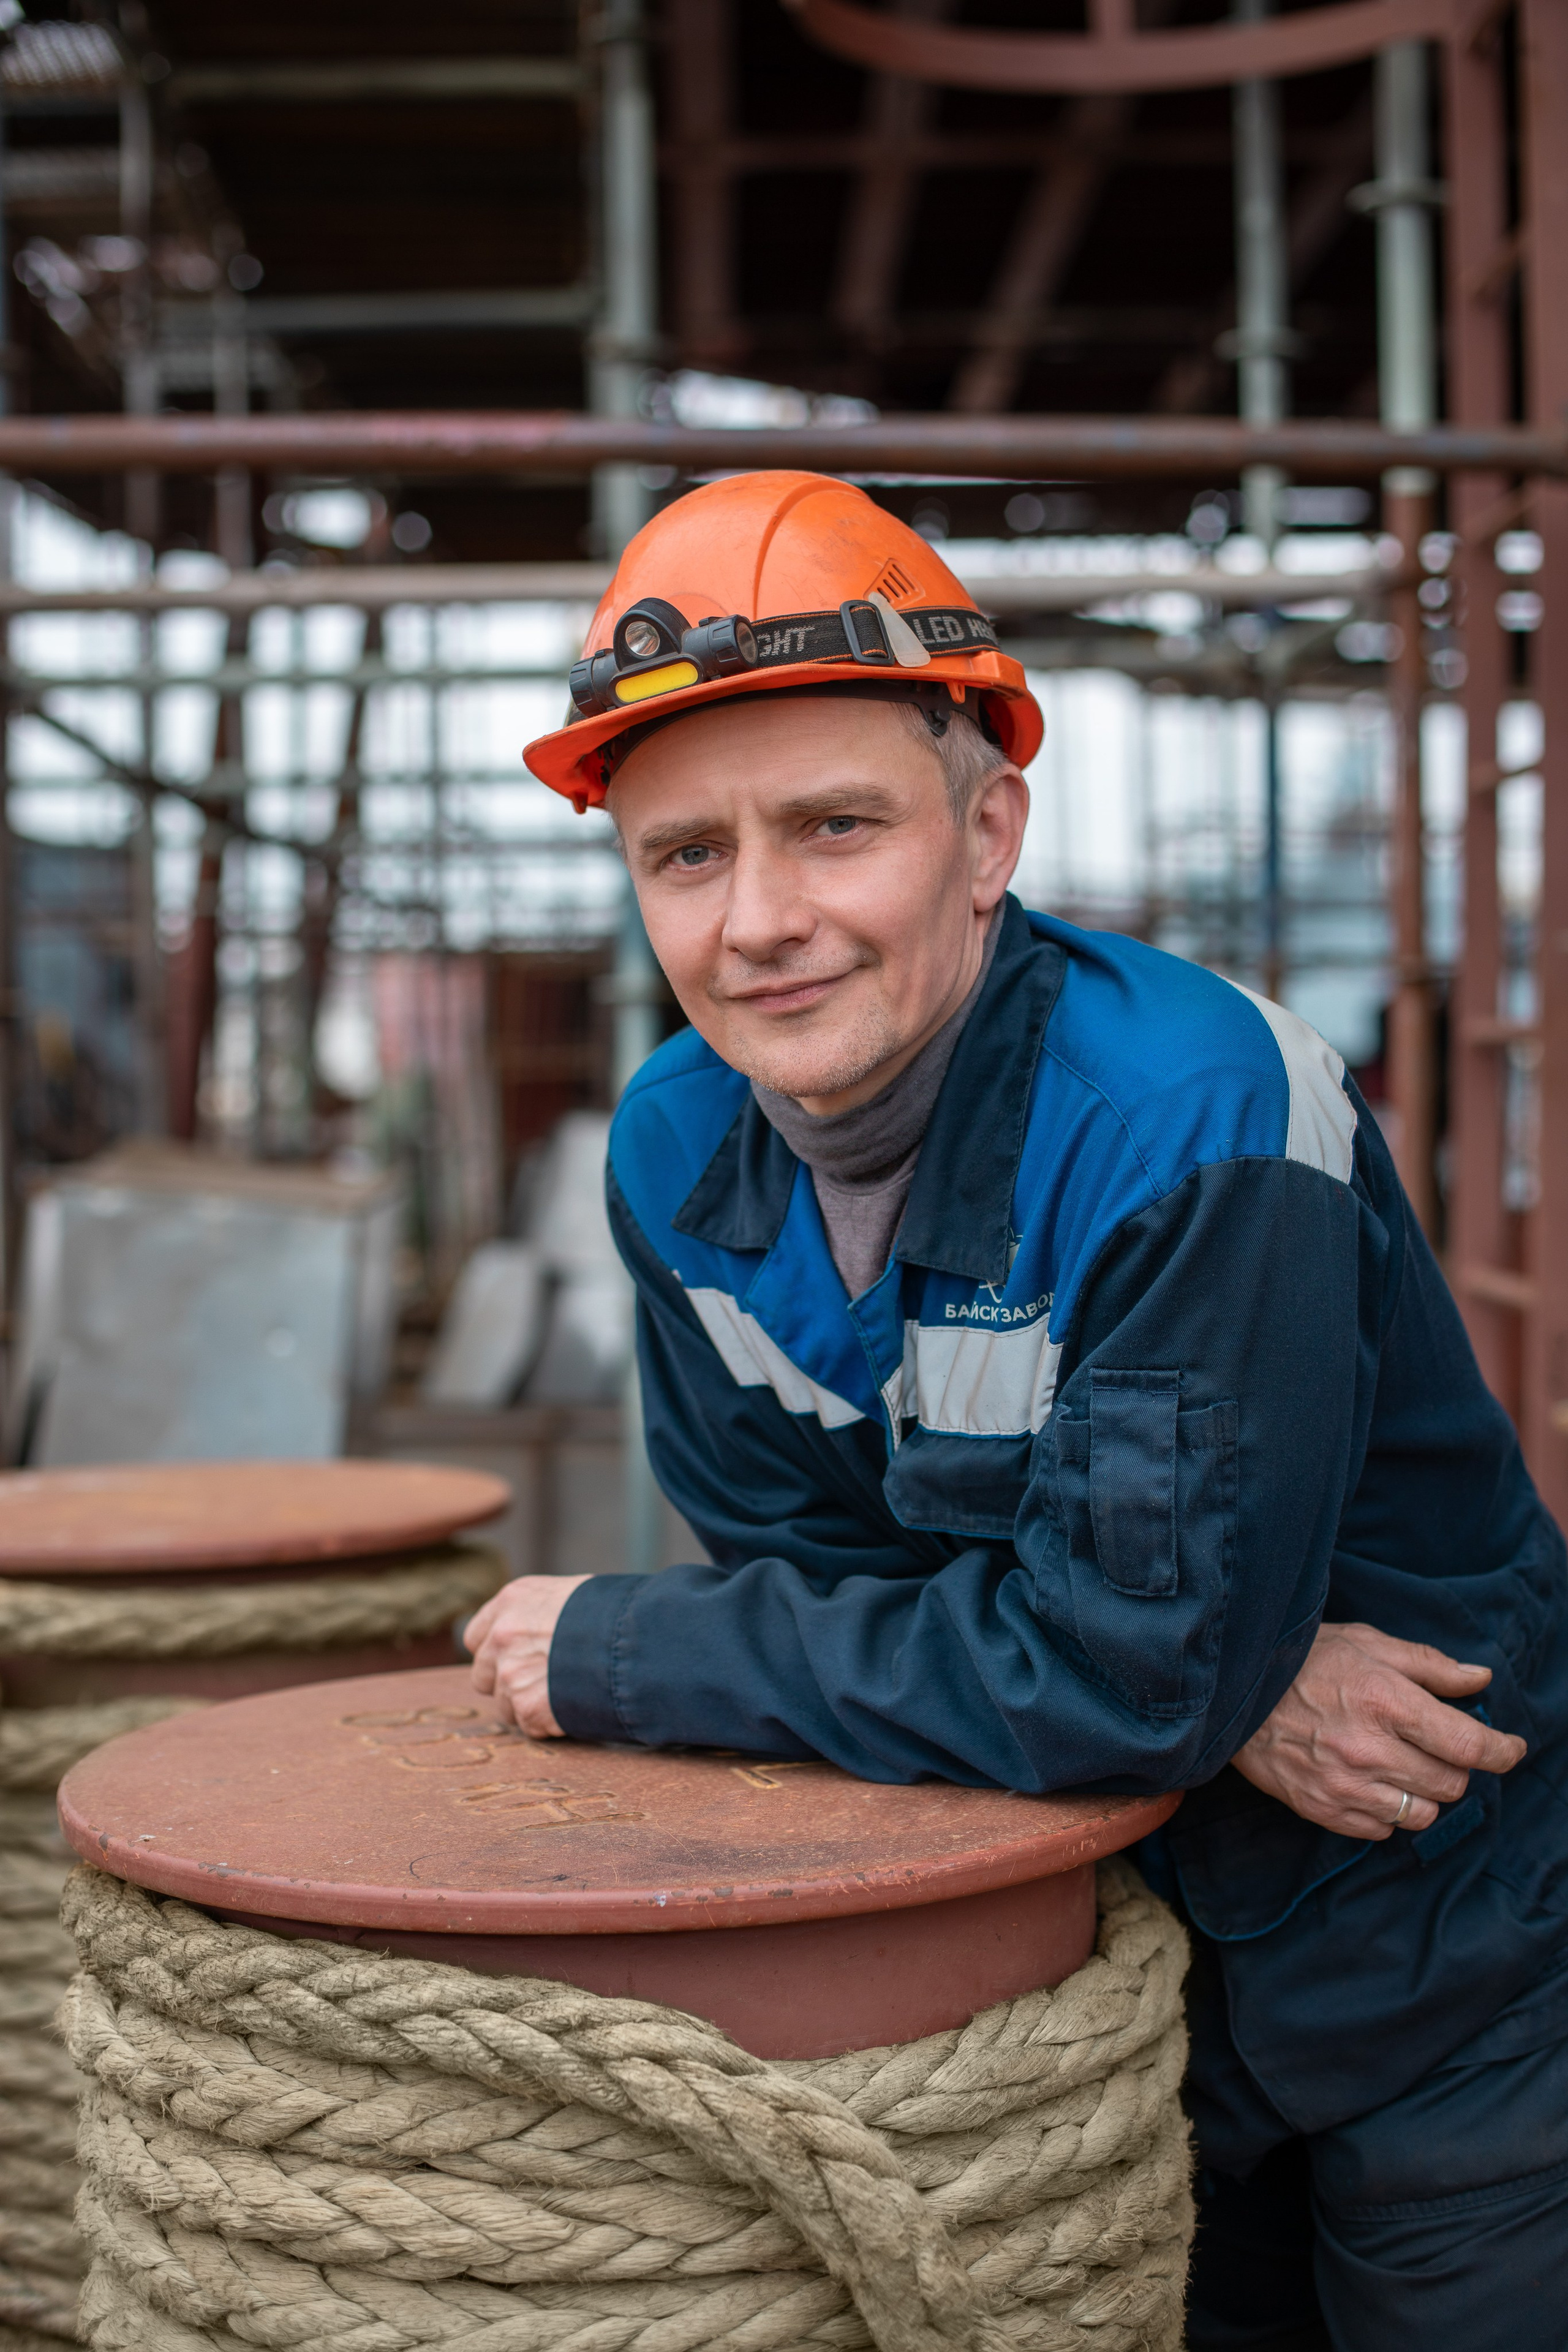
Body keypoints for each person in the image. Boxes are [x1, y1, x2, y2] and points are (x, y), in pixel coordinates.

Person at [466, 473, 1566, 2350]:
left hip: (1449, 1953)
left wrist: (641, 1647)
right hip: (1112, 1973)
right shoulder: (672, 1157)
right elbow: (852, 1589)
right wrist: (1226, 1680)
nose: (763, 923)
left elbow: (1107, 1673)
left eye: (836, 829)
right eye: (687, 857)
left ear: (990, 833)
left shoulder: (1185, 1116)